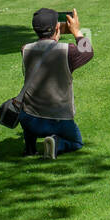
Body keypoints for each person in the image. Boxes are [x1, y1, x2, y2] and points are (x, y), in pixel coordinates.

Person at [12, 8, 94, 159]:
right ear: (57, 27)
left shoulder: (25, 49)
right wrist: (76, 31)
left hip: (30, 121)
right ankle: (57, 143)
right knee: (76, 142)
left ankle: (30, 149)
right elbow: (87, 52)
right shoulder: (67, 51)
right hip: (59, 119)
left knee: (29, 108)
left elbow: (42, 47)